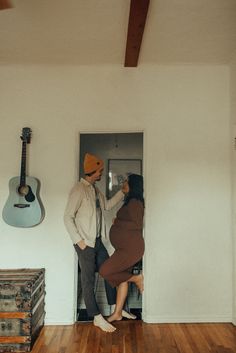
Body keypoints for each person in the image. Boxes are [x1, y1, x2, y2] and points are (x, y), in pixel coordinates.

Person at [64, 153, 135, 332]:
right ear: (92, 171)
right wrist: (79, 241)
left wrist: (122, 192)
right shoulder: (78, 190)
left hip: (97, 241)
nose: (101, 173)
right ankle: (96, 317)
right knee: (88, 280)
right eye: (100, 171)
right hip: (85, 243)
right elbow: (67, 217)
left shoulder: (95, 190)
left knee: (108, 272)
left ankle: (115, 309)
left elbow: (108, 205)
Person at [99, 174, 145, 323]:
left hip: (131, 249)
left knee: (105, 271)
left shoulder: (135, 202)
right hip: (124, 248)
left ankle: (136, 278)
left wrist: (117, 222)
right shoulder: (130, 202)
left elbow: (137, 225)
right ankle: (117, 313)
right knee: (121, 279)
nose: (123, 183)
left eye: (126, 181)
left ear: (133, 185)